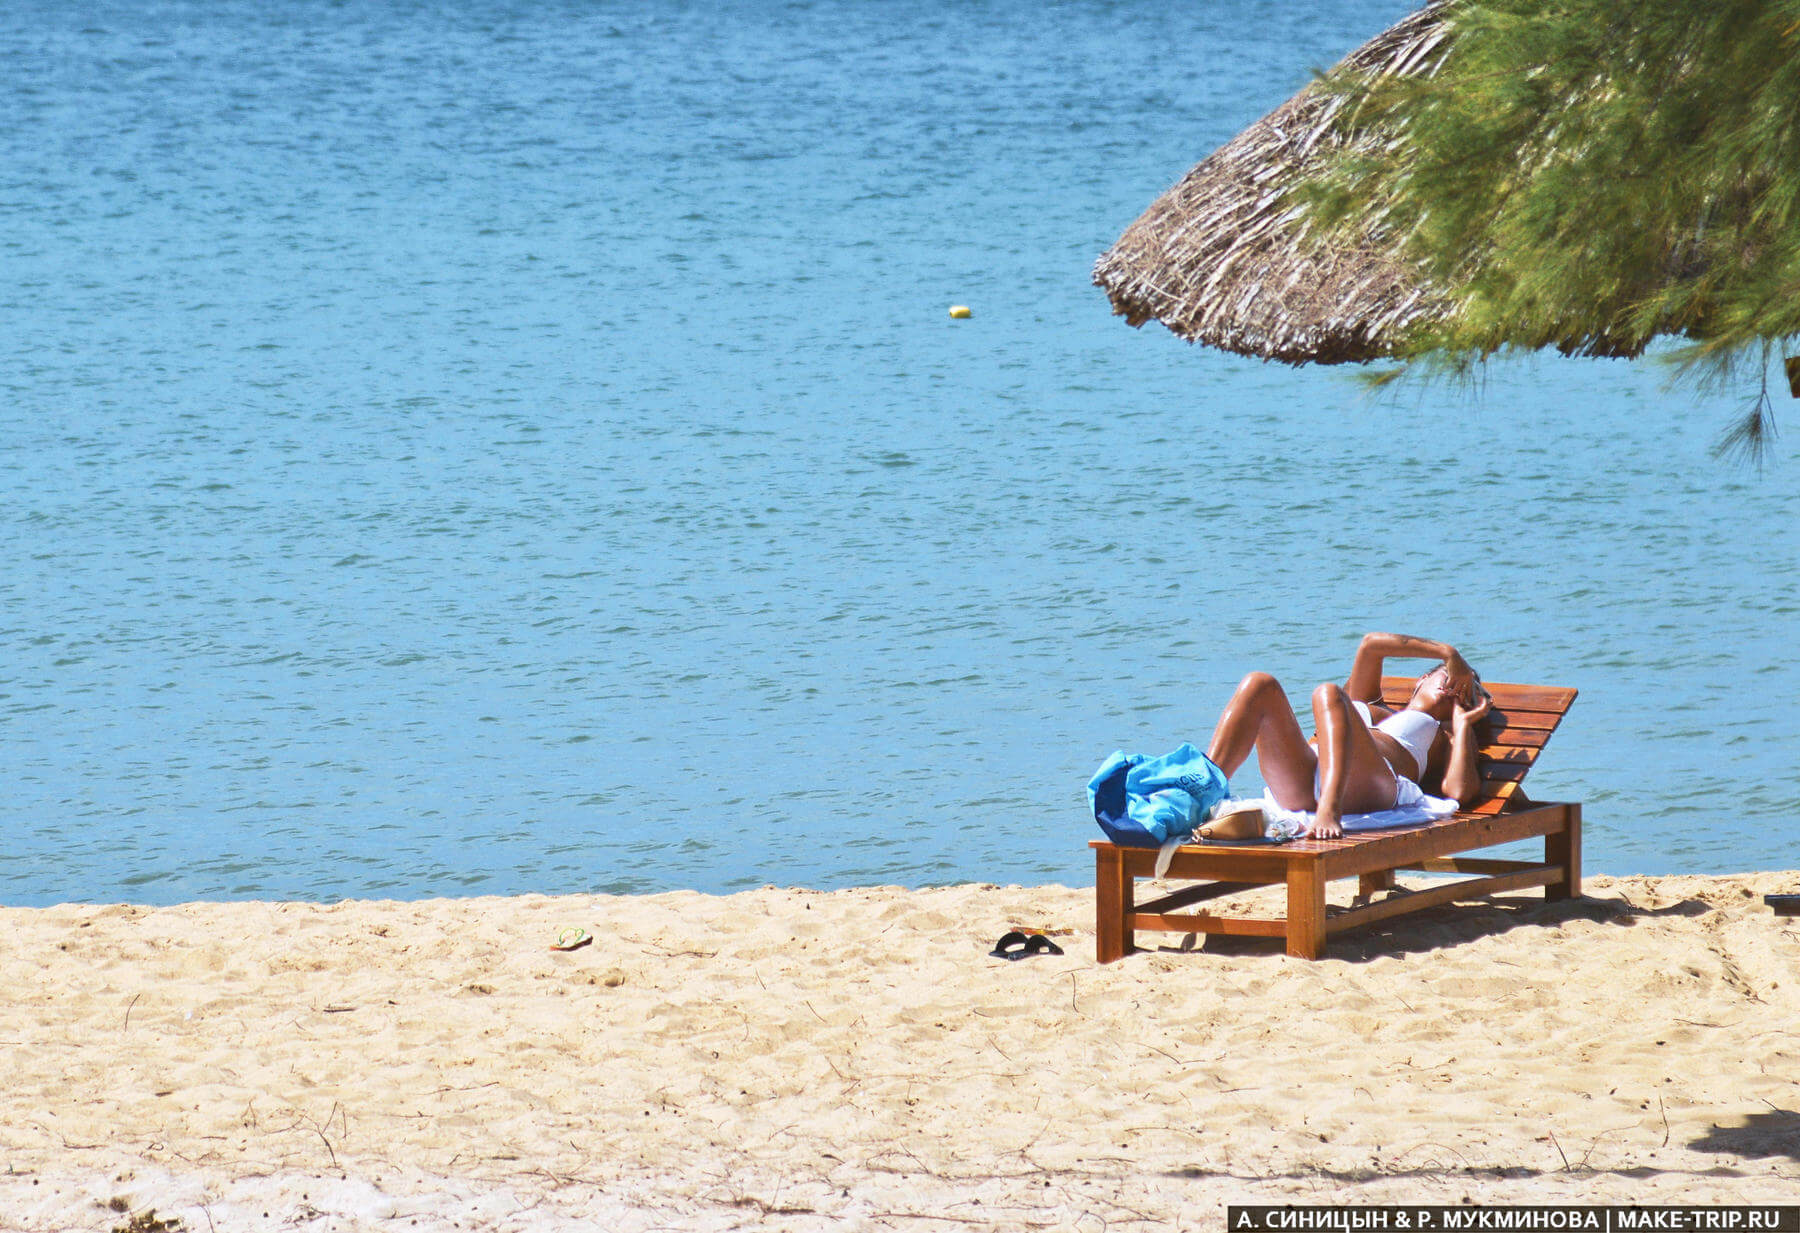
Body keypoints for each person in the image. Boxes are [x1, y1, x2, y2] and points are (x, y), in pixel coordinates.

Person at [1203, 633, 1492, 838]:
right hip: (1303, 781)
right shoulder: (1371, 703)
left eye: (1465, 691)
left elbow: (1459, 793)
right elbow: (1371, 644)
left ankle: (1329, 808)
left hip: (1369, 788)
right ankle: (1201, 791)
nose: (1455, 687)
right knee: (1259, 684)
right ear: (1422, 679)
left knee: (1327, 692)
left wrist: (1464, 723)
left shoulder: (1445, 734)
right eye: (1450, 677)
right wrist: (1448, 653)